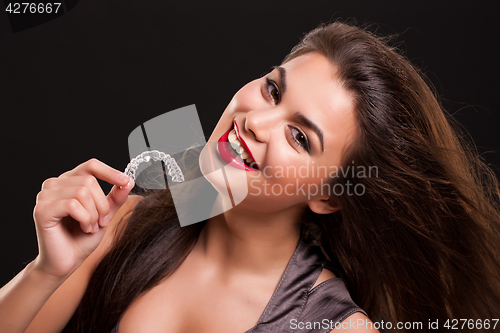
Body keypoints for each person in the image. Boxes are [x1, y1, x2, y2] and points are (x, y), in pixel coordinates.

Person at [1, 21, 500, 333]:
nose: (256, 123)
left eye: (300, 138)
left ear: (329, 196)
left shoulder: (333, 328)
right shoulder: (128, 218)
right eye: (271, 90)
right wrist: (47, 270)